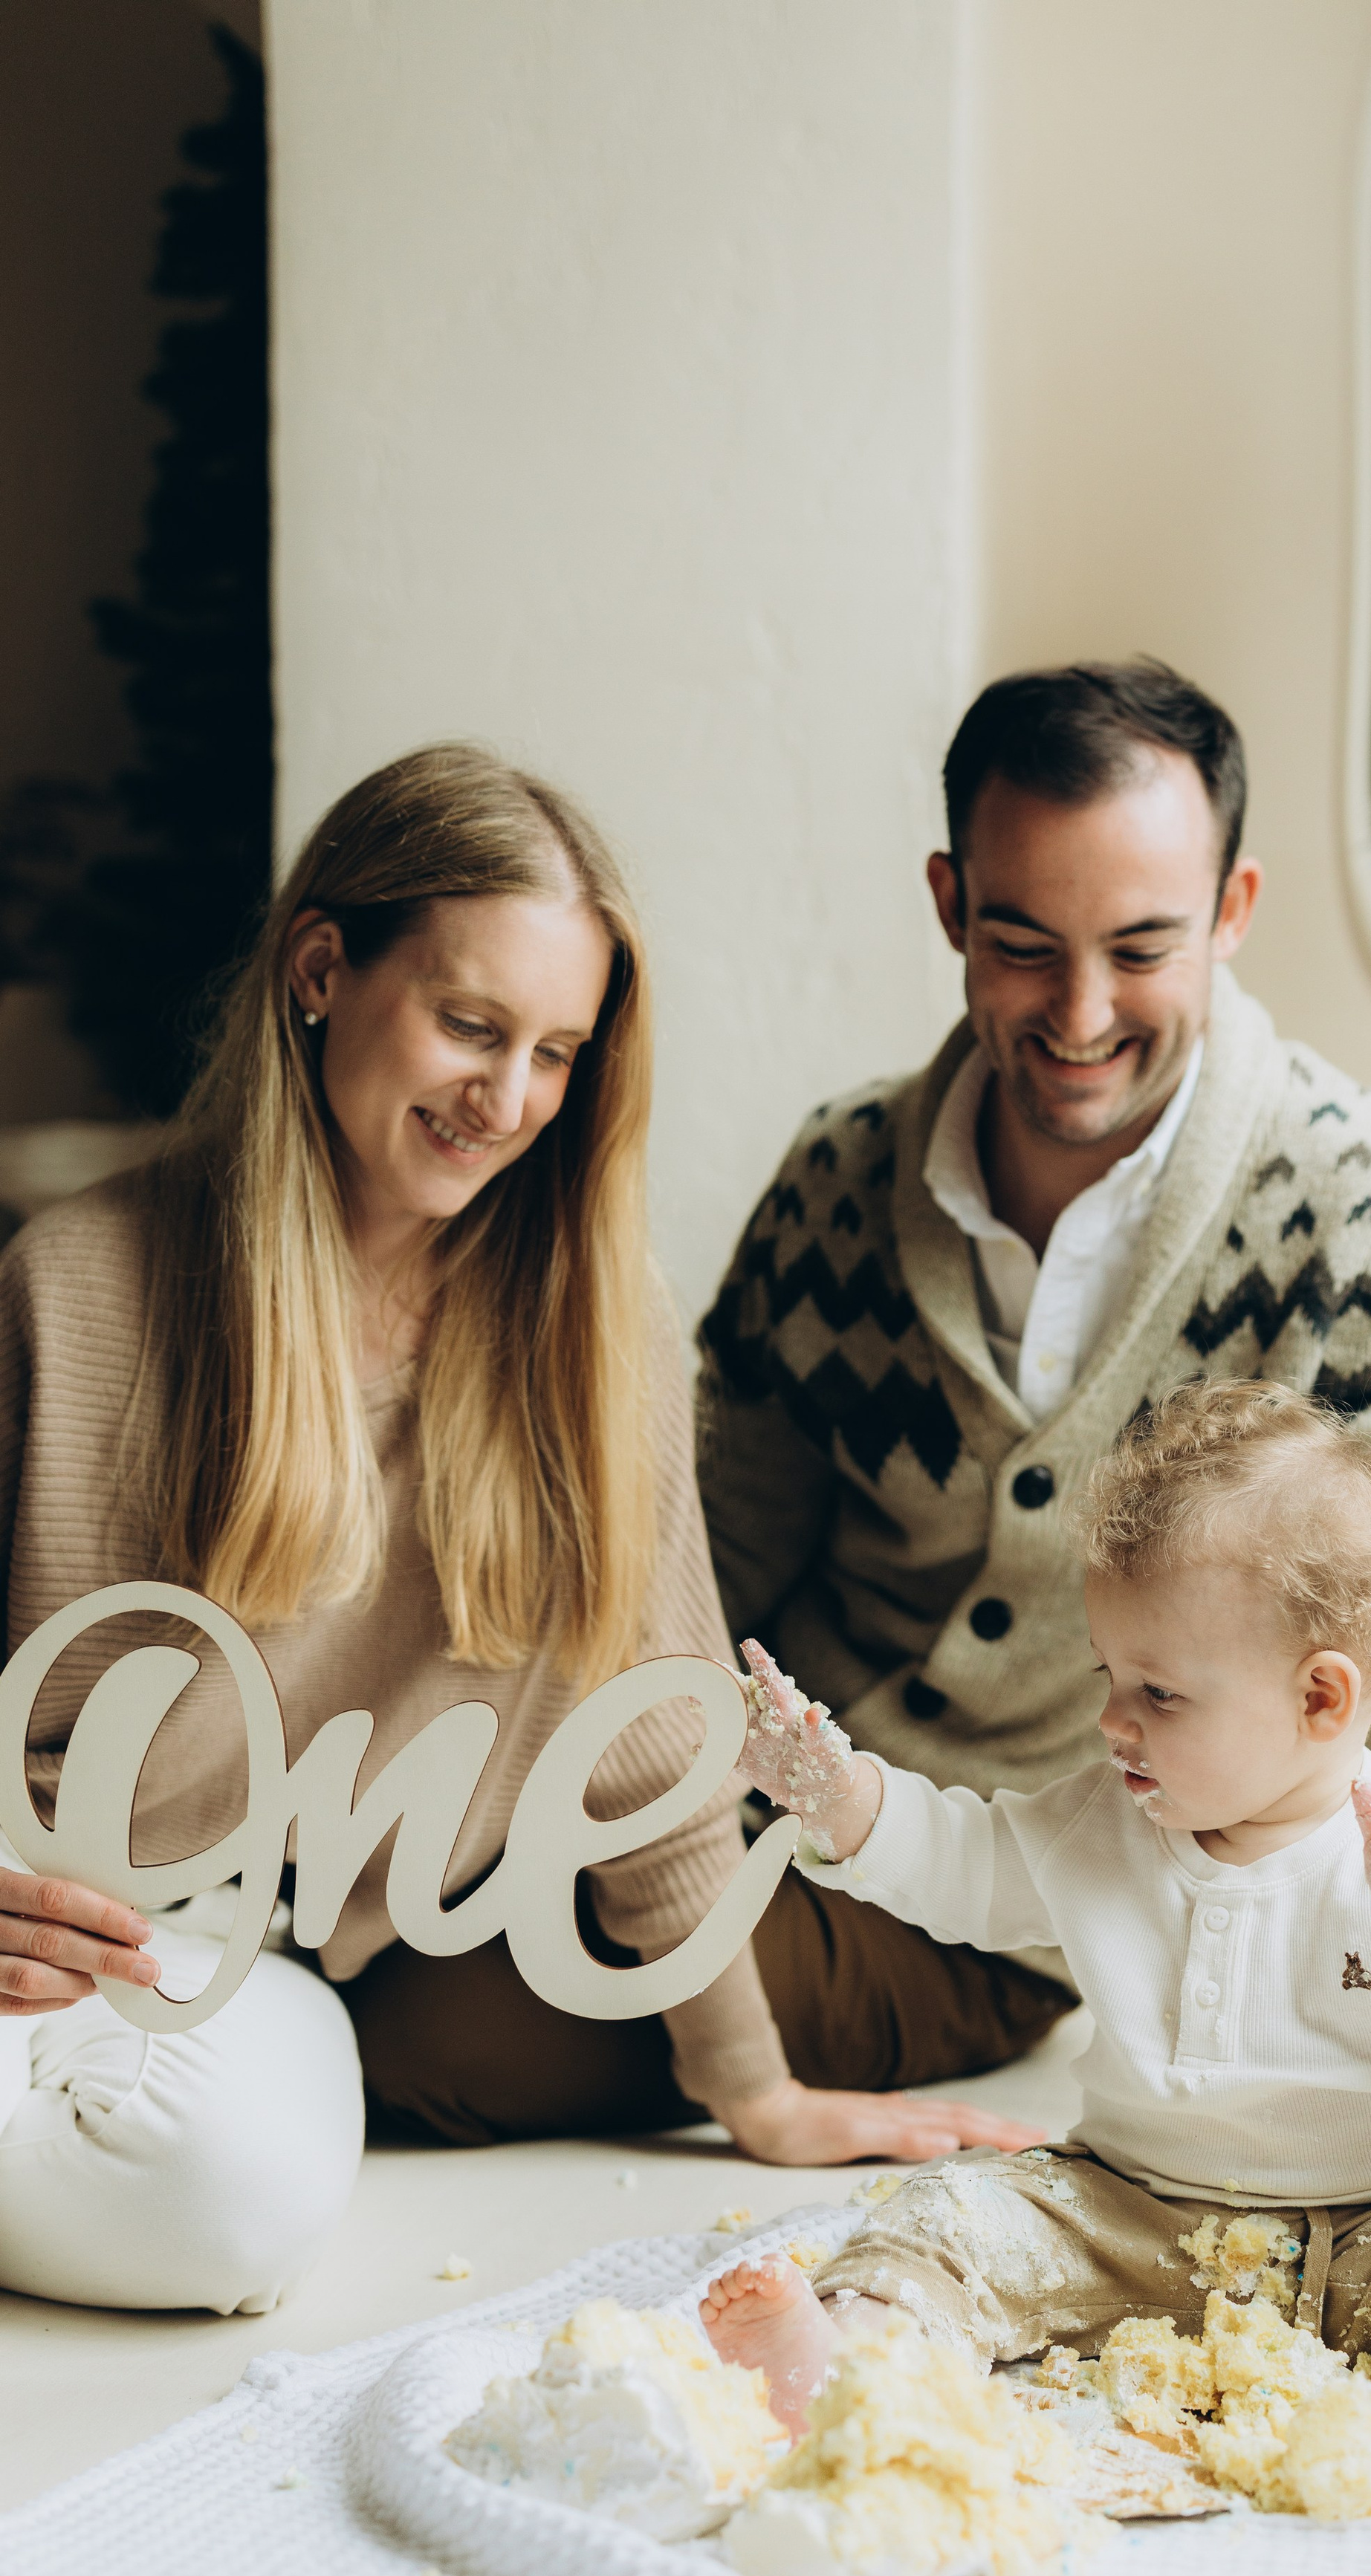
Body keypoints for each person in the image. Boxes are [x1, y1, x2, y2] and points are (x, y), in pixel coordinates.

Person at [697, 658, 1371, 2200]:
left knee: (462, 2033)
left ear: (1232, 908)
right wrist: (617, 1811)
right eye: (1020, 945)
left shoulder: (1361, 1205)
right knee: (453, 1923)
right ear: (948, 904)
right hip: (820, 1810)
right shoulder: (833, 1182)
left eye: (1139, 949)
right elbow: (705, 1559)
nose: (1076, 1015)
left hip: (1043, 1883)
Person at [0, 745, 1033, 2319]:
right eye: (471, 1025)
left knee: (234, 2206)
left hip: (242, 1975)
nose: (508, 1100)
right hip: (38, 1933)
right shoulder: (73, 1285)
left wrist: (756, 2096)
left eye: (556, 1052)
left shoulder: (592, 1339)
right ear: (322, 971)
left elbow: (654, 1758)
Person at [706, 1381, 1371, 2517]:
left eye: (1160, 1693)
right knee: (946, 2216)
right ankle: (850, 2364)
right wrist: (837, 1799)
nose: (1113, 1721)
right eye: (1110, 1677)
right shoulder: (1104, 1819)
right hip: (1128, 2208)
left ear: (1323, 1697)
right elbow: (967, 1863)